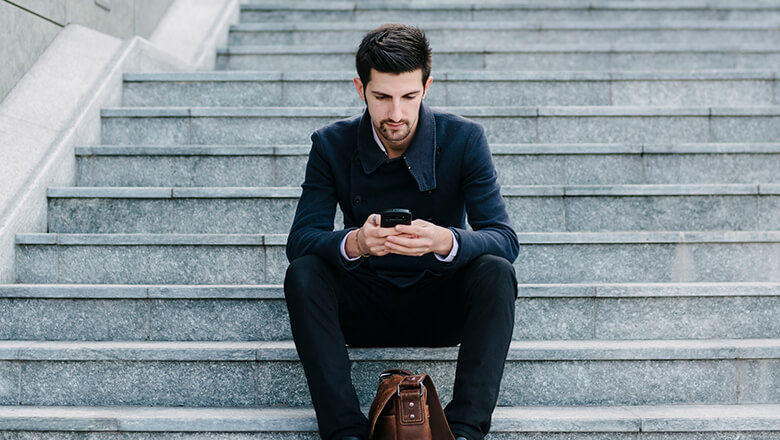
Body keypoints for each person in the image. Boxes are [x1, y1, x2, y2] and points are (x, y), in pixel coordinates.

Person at [284, 24, 519, 440]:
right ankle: (345, 432)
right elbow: (301, 239)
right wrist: (356, 242)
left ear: (426, 86)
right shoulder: (330, 144)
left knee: (497, 271)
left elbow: (504, 237)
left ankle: (464, 429)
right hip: (364, 305)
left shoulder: (464, 139)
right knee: (303, 272)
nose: (396, 114)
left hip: (441, 302)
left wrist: (446, 240)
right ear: (361, 89)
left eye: (409, 96)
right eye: (382, 97)